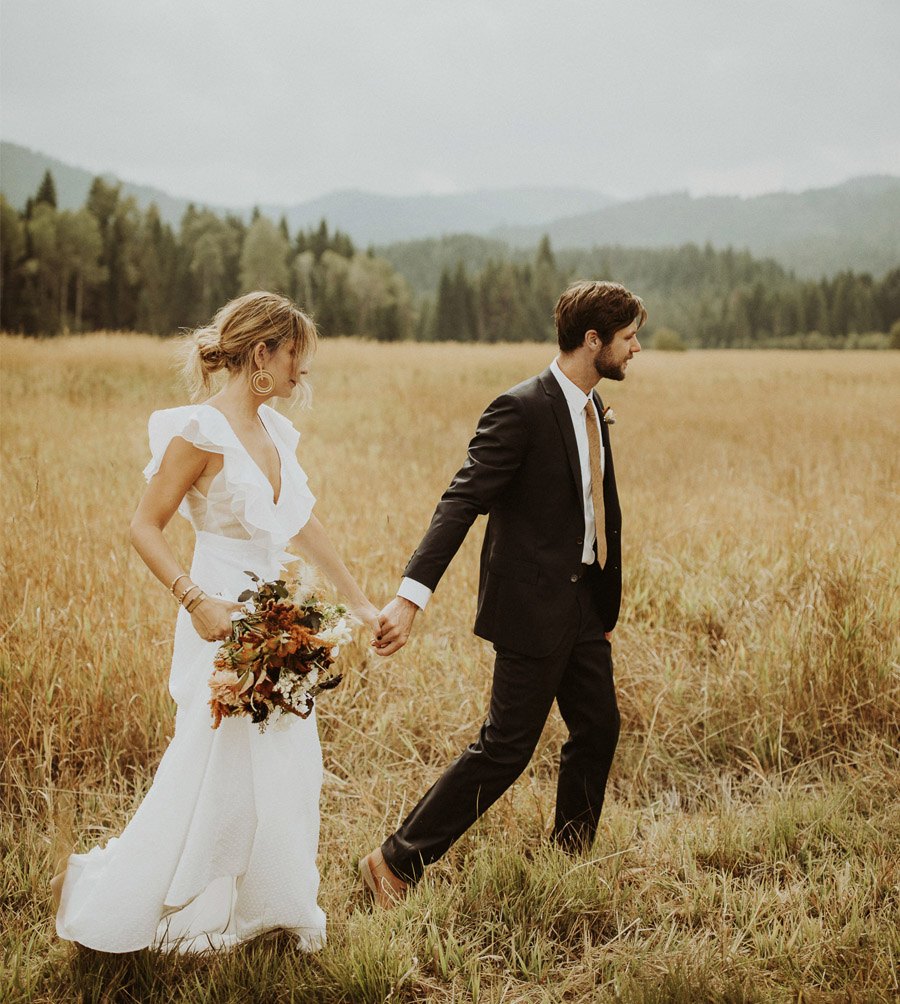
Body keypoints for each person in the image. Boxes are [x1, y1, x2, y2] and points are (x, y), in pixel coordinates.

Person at [54, 291, 380, 954]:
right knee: (209, 764)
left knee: (289, 759)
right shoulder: (200, 432)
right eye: (295, 357)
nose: (301, 373)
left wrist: (360, 602)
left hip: (273, 616)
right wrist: (193, 597)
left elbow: (302, 524)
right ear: (262, 354)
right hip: (218, 616)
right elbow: (144, 525)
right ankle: (144, 904)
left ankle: (272, 908)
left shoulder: (272, 431)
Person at [359, 280, 646, 906]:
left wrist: (598, 592)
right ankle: (394, 861)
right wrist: (411, 598)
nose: (637, 350)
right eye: (628, 339)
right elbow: (461, 502)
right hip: (533, 608)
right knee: (506, 750)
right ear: (592, 340)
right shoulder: (521, 408)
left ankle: (567, 859)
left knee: (598, 729)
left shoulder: (594, 407)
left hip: (584, 604)